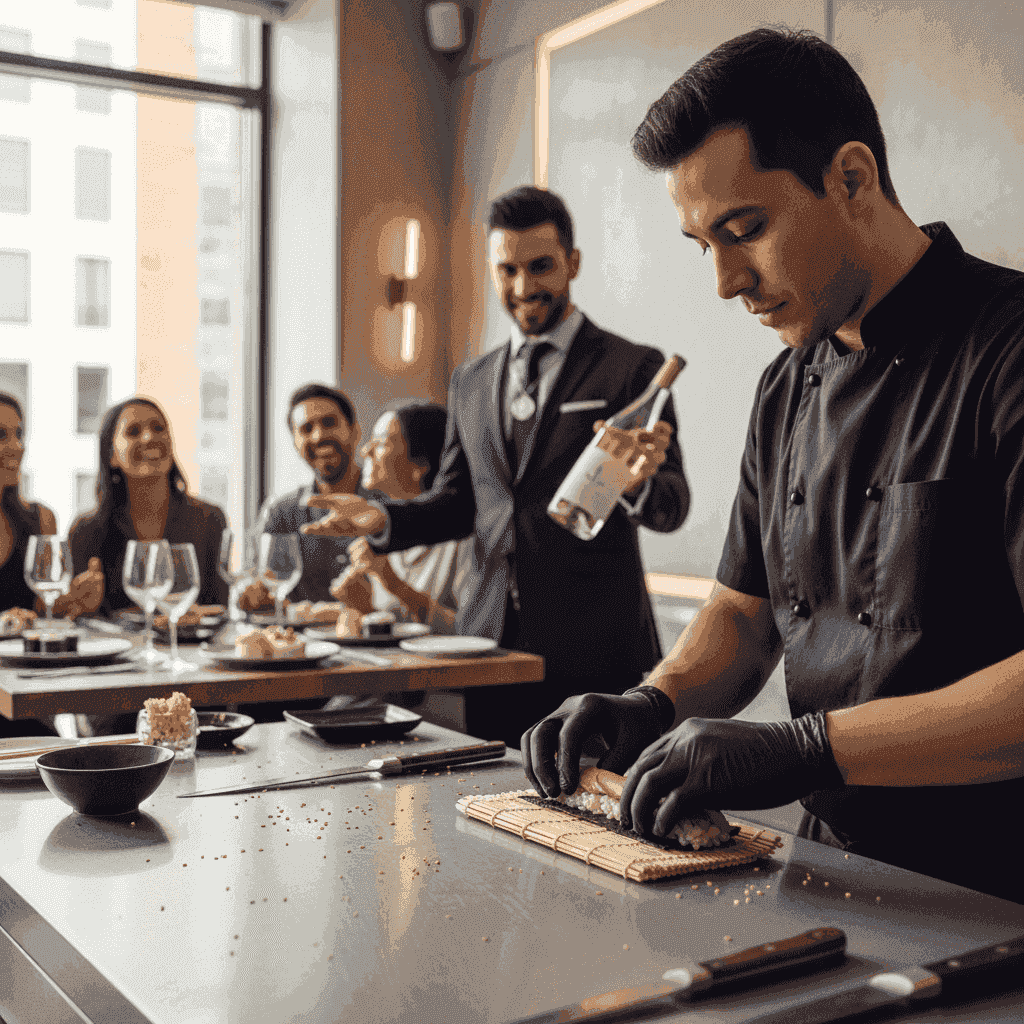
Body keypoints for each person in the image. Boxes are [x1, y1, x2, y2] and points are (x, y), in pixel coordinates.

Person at [522, 27, 1024, 904]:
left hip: (994, 885)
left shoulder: (1009, 350)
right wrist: (654, 701)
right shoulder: (784, 387)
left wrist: (802, 749)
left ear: (853, 177)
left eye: (745, 230)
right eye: (700, 243)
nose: (723, 281)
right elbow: (742, 617)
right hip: (825, 869)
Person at [300, 187, 691, 746]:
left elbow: (673, 505)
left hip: (596, 652)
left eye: (540, 268)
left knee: (598, 821)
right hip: (486, 648)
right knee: (492, 814)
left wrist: (637, 483)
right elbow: (459, 504)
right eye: (506, 270)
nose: (523, 287)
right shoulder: (472, 380)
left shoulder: (632, 368)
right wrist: (380, 520)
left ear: (573, 264)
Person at [68, 397, 229, 614]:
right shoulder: (86, 531)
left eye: (158, 428)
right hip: (118, 647)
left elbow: (220, 608)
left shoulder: (210, 519)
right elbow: (79, 618)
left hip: (187, 646)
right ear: (112, 455)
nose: (149, 437)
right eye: (133, 431)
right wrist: (80, 604)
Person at [336, 400, 470, 634]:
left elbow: (469, 632)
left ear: (420, 465)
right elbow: (398, 628)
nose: (365, 450)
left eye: (380, 443)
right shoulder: (383, 534)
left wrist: (393, 583)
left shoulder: (461, 534)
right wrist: (362, 607)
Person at [238, 383, 364, 611]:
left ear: (355, 431)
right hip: (300, 644)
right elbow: (259, 584)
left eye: (329, 423)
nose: (318, 436)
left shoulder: (388, 505)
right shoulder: (280, 512)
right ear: (296, 444)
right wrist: (252, 593)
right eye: (306, 429)